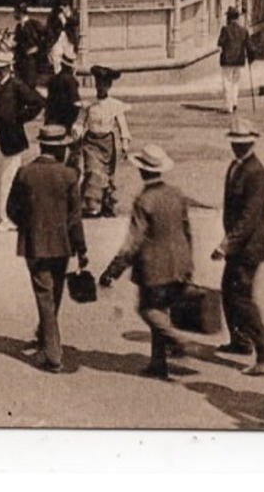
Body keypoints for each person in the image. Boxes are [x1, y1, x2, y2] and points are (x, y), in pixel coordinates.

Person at [99, 143, 197, 379]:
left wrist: (112, 271)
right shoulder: (176, 193)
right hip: (179, 260)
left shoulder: (144, 200)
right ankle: (158, 362)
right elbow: (187, 230)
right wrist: (188, 261)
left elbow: (133, 242)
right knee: (162, 308)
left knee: (148, 309)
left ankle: (176, 338)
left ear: (142, 171)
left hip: (154, 266)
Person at [6, 122, 88, 373]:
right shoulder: (69, 175)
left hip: (35, 244)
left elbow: (11, 209)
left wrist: (28, 225)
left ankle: (52, 352)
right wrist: (82, 249)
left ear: (42, 145)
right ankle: (47, 337)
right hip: (62, 244)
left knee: (44, 295)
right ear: (60, 149)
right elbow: (75, 218)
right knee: (54, 294)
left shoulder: (25, 173)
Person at [213, 122, 264, 376]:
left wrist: (225, 245)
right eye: (234, 142)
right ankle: (240, 342)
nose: (235, 146)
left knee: (242, 300)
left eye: (240, 143)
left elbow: (249, 218)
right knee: (229, 293)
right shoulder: (236, 166)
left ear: (250, 143)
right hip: (238, 246)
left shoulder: (257, 174)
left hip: (249, 247)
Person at [0, 54, 44, 231]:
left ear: (7, 68)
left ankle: (8, 217)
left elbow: (37, 102)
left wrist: (18, 118)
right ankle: (1, 214)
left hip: (11, 137)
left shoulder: (16, 85)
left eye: (0, 69)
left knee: (7, 178)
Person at [78, 64, 132, 218]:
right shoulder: (89, 105)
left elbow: (122, 125)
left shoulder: (115, 105)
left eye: (104, 85)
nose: (100, 88)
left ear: (109, 86)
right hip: (91, 143)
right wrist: (77, 131)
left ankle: (105, 204)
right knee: (92, 172)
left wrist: (125, 144)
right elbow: (81, 122)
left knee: (107, 175)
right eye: (98, 84)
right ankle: (90, 206)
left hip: (107, 143)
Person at [43, 50, 82, 170]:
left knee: (54, 151)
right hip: (66, 122)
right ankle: (70, 175)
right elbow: (75, 104)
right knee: (76, 150)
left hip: (51, 120)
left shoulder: (53, 79)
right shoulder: (71, 80)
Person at [217, 6, 252, 114]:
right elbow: (249, 46)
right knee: (236, 82)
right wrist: (251, 58)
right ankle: (235, 102)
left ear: (229, 18)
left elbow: (220, 43)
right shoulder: (244, 31)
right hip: (239, 60)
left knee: (227, 82)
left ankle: (228, 105)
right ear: (237, 18)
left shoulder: (225, 30)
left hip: (227, 60)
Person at [11, 2, 44, 88]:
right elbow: (17, 42)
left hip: (30, 61)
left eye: (15, 12)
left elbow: (48, 36)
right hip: (19, 61)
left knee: (29, 86)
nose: (14, 14)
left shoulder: (34, 24)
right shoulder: (19, 26)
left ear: (20, 13)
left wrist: (38, 48)